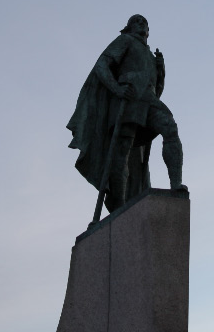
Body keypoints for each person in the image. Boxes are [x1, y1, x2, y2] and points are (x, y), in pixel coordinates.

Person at [67, 14, 186, 214]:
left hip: (148, 99)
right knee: (122, 150)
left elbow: (156, 90)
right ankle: (119, 204)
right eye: (136, 21)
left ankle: (176, 184)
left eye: (144, 22)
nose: (141, 24)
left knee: (170, 128)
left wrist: (161, 71)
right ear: (128, 28)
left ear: (148, 31)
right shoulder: (125, 41)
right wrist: (116, 89)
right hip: (128, 98)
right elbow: (101, 66)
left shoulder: (151, 56)